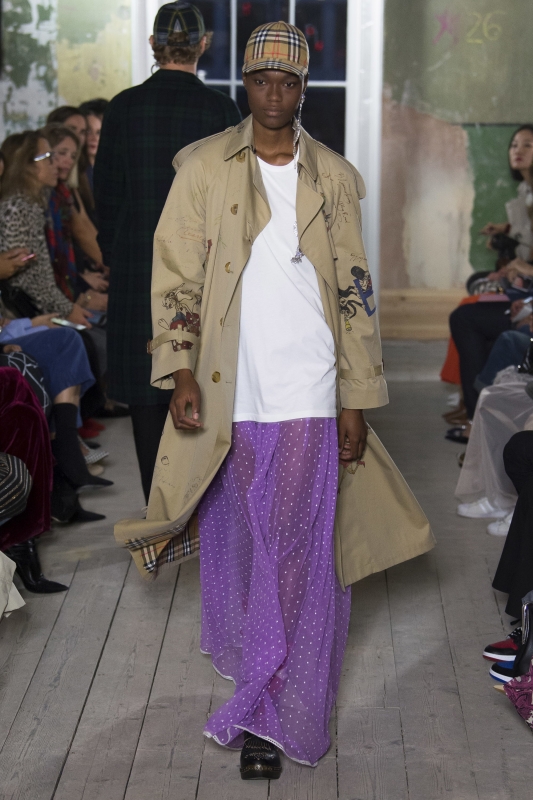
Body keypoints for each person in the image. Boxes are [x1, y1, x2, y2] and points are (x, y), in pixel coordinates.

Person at [148, 21, 389, 777]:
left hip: (309, 385)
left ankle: (266, 711)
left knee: (292, 548)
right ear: (244, 85)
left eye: (288, 82)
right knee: (244, 546)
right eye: (261, 81)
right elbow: (177, 276)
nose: (274, 95)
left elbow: (354, 293)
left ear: (304, 87)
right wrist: (180, 370)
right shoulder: (202, 167)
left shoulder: (333, 177)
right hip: (231, 387)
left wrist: (354, 395)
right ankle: (262, 678)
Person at [94, 1, 242, 502]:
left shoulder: (123, 107)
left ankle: (158, 511)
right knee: (202, 386)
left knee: (145, 397)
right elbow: (235, 199)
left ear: (153, 45)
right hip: (204, 268)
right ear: (204, 45)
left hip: (138, 264)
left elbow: (106, 194)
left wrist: (114, 254)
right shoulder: (221, 110)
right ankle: (198, 510)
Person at [447, 126, 533, 428]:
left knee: (466, 317)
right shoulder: (525, 192)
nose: (517, 150)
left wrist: (525, 270)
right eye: (514, 145)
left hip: (528, 293)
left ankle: (476, 414)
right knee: (473, 296)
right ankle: (473, 409)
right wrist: (505, 232)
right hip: (526, 292)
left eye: (527, 145)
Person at [0, 130, 92, 327]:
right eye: (49, 158)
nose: (56, 164)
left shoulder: (33, 204)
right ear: (28, 165)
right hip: (20, 315)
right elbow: (29, 278)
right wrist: (68, 310)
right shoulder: (18, 207)